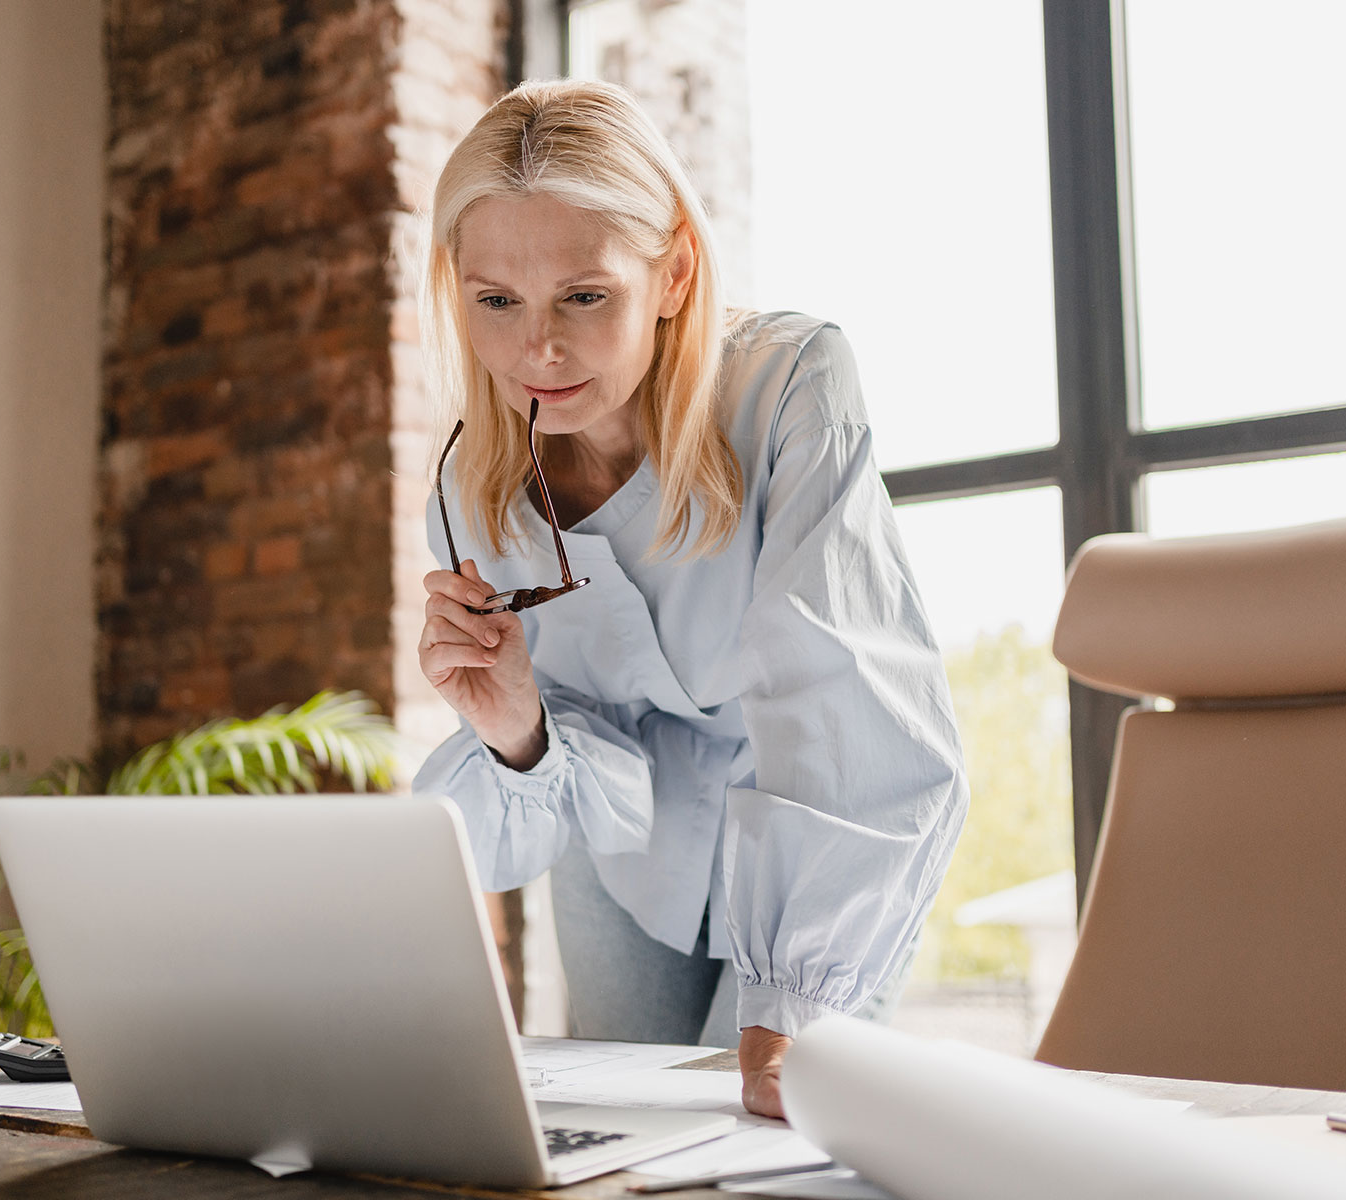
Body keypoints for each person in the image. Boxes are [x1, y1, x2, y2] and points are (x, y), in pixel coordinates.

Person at [413, 79, 968, 1120]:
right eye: (497, 301)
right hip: (628, 849)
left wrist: (799, 997)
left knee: (763, 1131)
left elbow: (839, 694)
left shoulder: (793, 385)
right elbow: (555, 767)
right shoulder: (468, 490)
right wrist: (518, 731)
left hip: (813, 812)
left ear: (673, 273)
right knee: (615, 1135)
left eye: (584, 296)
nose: (539, 351)